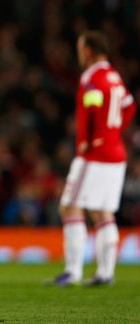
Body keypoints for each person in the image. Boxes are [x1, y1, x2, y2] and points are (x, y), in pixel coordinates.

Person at [51, 31, 136, 286]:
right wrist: (113, 132)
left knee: (69, 206)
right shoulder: (114, 76)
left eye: (80, 48)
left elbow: (92, 105)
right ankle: (106, 273)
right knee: (103, 212)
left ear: (88, 51)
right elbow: (129, 106)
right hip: (116, 152)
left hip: (95, 153)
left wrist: (91, 137)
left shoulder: (92, 77)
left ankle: (73, 270)